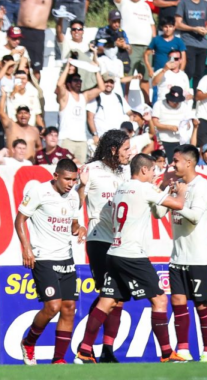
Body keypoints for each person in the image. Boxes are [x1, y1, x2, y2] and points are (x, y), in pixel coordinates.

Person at [74, 152, 187, 364]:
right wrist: (181, 192)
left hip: (114, 252)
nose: (154, 175)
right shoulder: (145, 188)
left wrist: (162, 188)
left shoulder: (121, 188)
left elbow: (156, 211)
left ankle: (84, 351)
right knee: (160, 299)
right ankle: (167, 353)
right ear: (144, 169)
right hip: (132, 254)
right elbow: (178, 205)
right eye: (152, 170)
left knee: (107, 301)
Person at [15, 159, 83, 365]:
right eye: (67, 179)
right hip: (43, 257)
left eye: (74, 180)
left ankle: (58, 359)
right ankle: (28, 342)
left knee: (69, 307)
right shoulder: (39, 191)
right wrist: (26, 247)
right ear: (56, 176)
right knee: (53, 306)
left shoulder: (73, 197)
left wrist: (80, 228)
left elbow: (73, 226)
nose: (71, 184)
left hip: (66, 257)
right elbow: (19, 220)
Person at [78, 129, 132, 363]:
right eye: (126, 149)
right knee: (108, 295)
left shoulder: (125, 173)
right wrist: (78, 222)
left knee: (117, 298)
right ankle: (85, 348)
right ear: (113, 149)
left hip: (120, 242)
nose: (130, 153)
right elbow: (76, 199)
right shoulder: (91, 170)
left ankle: (107, 350)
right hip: (99, 240)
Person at [167, 145, 207, 362]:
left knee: (201, 304)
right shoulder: (177, 185)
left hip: (198, 257)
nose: (172, 164)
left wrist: (176, 200)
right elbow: (157, 212)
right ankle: (183, 350)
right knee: (177, 301)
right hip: (177, 256)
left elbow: (195, 217)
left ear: (188, 163)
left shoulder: (201, 185)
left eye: (175, 161)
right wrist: (164, 195)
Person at [55, 63, 104, 163]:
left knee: (80, 168)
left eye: (80, 80)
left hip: (81, 140)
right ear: (68, 83)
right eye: (75, 80)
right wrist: (67, 66)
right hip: (66, 139)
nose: (78, 83)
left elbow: (101, 88)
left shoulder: (84, 97)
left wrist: (96, 70)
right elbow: (59, 84)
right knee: (65, 167)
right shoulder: (65, 96)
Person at [175, 0, 207, 88]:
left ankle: (197, 96)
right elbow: (177, 24)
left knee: (199, 73)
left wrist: (206, 29)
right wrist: (194, 29)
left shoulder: (205, 4)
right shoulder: (183, 3)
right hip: (188, 42)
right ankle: (183, 93)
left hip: (202, 44)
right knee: (189, 71)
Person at [151, 86, 193, 158]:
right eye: (173, 101)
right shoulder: (159, 105)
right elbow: (154, 123)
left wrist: (183, 127)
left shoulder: (184, 106)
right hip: (162, 139)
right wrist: (169, 127)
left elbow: (188, 124)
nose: (175, 103)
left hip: (180, 140)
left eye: (178, 101)